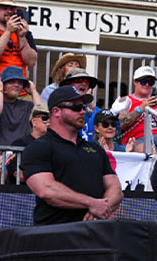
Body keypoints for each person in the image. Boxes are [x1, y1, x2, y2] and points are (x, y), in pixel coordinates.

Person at [22, 85, 122, 225]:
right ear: (56, 111)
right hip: (54, 233)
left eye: (83, 107)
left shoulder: (96, 149)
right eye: (76, 107)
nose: (82, 111)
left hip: (94, 233)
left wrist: (102, 208)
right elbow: (46, 190)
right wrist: (91, 204)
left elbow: (116, 188)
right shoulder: (38, 148)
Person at [0, 66, 44, 146]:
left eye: (20, 82)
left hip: (20, 155)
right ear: (2, 84)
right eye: (11, 81)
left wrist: (33, 91)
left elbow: (43, 115)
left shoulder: (27, 105)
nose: (16, 85)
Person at [112, 65, 157, 153]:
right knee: (149, 152)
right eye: (143, 81)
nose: (147, 85)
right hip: (139, 140)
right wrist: (141, 108)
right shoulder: (126, 100)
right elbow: (121, 124)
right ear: (135, 82)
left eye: (151, 82)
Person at [8, 102, 50, 182]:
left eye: (52, 118)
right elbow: (17, 174)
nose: (49, 121)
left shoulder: (57, 144)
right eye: (45, 117)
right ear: (33, 122)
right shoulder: (19, 144)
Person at [60, 68, 100, 141]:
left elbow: (106, 125)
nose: (84, 83)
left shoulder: (89, 110)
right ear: (68, 85)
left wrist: (92, 105)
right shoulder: (60, 107)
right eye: (79, 80)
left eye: (86, 81)